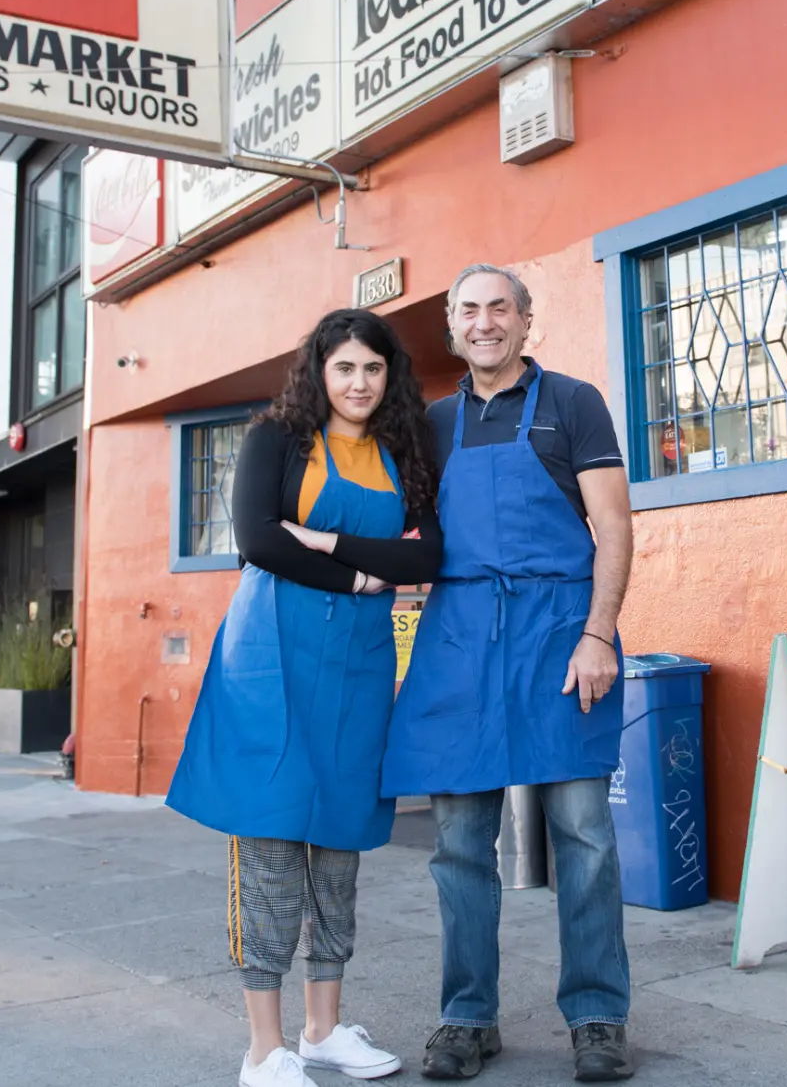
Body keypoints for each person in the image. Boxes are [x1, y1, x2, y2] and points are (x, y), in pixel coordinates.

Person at [167, 308, 443, 1087]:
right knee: (271, 839)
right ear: (319, 371)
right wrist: (363, 573)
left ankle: (323, 1029)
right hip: (271, 658)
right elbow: (257, 539)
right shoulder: (274, 439)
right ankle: (263, 1048)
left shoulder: (405, 447)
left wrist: (322, 542)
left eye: (373, 368)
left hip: (357, 662)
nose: (358, 383)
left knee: (339, 844)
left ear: (390, 377)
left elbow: (430, 552)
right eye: (344, 367)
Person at [382, 265, 637, 1082]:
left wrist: (598, 633)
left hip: (559, 636)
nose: (484, 322)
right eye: (469, 310)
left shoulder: (573, 403)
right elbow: (400, 535)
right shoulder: (431, 422)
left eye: (500, 308)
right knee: (458, 845)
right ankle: (466, 1017)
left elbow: (614, 523)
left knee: (585, 838)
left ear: (527, 323)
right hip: (457, 639)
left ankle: (597, 1015)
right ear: (452, 328)